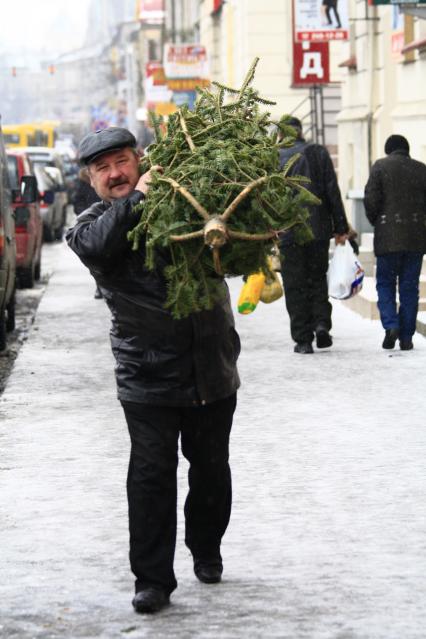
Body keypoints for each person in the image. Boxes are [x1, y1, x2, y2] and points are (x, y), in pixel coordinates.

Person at [66, 127, 240, 614]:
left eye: (122, 161)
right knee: (151, 477)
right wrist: (140, 198)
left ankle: (206, 549)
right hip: (146, 376)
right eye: (103, 169)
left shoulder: (184, 200)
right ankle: (153, 579)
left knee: (210, 470)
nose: (116, 174)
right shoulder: (90, 225)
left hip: (212, 364)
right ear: (91, 180)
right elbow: (101, 246)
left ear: (140, 160)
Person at [278, 117, 349, 354]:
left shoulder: (274, 157)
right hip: (317, 230)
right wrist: (341, 227)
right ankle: (321, 324)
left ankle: (302, 339)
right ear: (300, 132)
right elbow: (332, 191)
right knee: (317, 278)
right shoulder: (318, 152)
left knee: (294, 285)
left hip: (288, 231)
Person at [364, 134, 426, 351]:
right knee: (409, 288)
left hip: (388, 239)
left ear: (388, 150)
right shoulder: (421, 169)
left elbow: (371, 199)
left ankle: (391, 325)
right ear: (407, 150)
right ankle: (407, 336)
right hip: (415, 239)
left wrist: (378, 222)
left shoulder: (380, 167)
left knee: (385, 284)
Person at [71, 168, 103, 299]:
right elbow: (77, 203)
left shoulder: (102, 179)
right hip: (91, 223)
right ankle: (100, 285)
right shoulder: (82, 183)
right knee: (96, 257)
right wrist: (86, 216)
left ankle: (102, 286)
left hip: (107, 219)